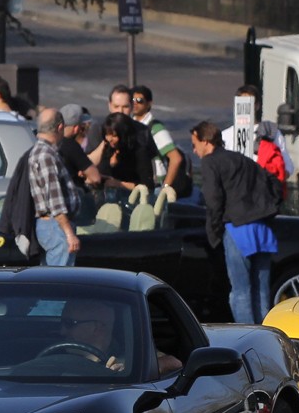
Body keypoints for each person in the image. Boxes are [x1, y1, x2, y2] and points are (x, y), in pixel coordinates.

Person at [193, 120, 280, 324]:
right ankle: (266, 335)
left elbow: (213, 200)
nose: (194, 150)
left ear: (206, 141)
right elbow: (274, 182)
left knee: (240, 292)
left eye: (195, 144)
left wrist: (213, 234)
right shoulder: (241, 159)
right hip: (262, 228)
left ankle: (246, 336)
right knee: (261, 291)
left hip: (238, 229)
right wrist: (271, 207)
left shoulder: (210, 162)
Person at [53, 298, 183, 375]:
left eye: (69, 323)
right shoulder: (53, 354)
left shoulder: (130, 353)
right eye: (62, 322)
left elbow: (174, 363)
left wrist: (130, 369)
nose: (62, 331)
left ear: (96, 327)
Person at [27, 107, 80, 267]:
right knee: (60, 278)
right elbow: (55, 200)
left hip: (52, 225)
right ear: (60, 127)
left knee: (49, 275)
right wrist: (69, 234)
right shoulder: (46, 155)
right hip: (55, 226)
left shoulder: (41, 151)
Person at [130, 85, 184, 193]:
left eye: (139, 100)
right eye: (132, 100)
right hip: (137, 185)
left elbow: (176, 158)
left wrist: (165, 188)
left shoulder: (155, 128)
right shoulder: (130, 125)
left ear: (149, 104)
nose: (135, 103)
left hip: (155, 187)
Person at [90, 113, 158, 194]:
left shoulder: (139, 152)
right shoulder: (108, 147)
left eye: (114, 136)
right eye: (107, 134)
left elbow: (148, 187)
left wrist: (118, 184)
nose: (109, 139)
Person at [57, 104, 99, 192]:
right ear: (76, 128)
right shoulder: (72, 146)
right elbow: (95, 178)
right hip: (71, 194)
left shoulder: (52, 142)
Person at [254, 120, 287, 203]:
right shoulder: (274, 148)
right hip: (273, 191)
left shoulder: (263, 148)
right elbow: (283, 170)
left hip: (260, 192)